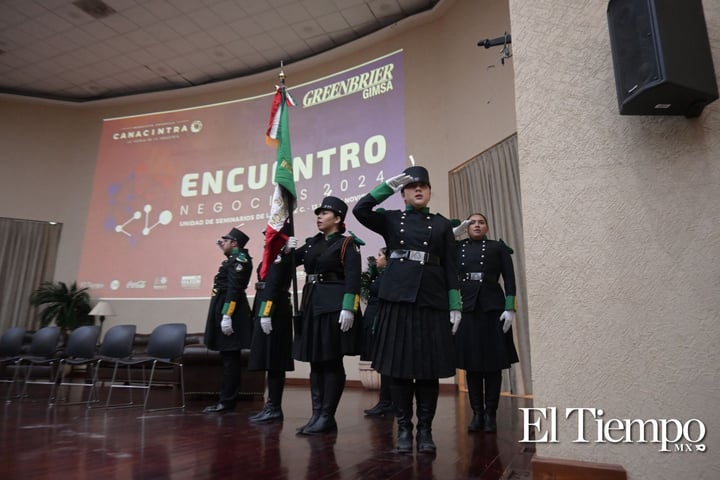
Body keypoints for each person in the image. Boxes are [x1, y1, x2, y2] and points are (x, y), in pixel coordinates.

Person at [352, 166, 462, 454]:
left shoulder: (441, 225)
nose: (418, 190)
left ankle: (425, 430)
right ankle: (403, 428)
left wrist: (455, 305)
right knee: (398, 371)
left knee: (428, 372)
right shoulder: (391, 220)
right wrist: (386, 185)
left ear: (428, 192)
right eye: (412, 186)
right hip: (398, 300)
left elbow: (451, 267)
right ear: (402, 194)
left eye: (423, 186)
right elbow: (360, 210)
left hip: (430, 301)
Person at [291, 196, 362, 435]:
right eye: (318, 213)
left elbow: (353, 278)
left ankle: (327, 416)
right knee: (315, 359)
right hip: (311, 303)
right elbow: (289, 263)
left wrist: (348, 307)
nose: (319, 217)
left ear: (338, 218)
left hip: (334, 306)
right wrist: (285, 246)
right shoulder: (312, 243)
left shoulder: (346, 244)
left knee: (331, 360)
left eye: (324, 213)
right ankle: (316, 415)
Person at [452, 213, 519, 432]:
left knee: (492, 365)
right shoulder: (458, 247)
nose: (477, 225)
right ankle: (477, 414)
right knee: (472, 366)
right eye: (472, 222)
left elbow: (509, 278)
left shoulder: (497, 248)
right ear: (467, 227)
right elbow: (445, 266)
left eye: (481, 222)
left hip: (493, 309)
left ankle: (491, 414)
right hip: (467, 308)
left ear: (487, 227)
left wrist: (510, 308)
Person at [202, 226, 253, 414]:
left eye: (225, 241)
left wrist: (227, 315)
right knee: (227, 359)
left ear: (235, 243)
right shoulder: (233, 259)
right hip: (223, 307)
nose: (221, 244)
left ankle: (227, 402)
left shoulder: (239, 260)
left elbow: (234, 290)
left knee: (231, 360)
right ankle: (225, 399)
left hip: (232, 311)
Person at [246, 234, 296, 423]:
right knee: (268, 359)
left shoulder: (282, 256)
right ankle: (271, 406)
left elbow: (275, 284)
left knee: (275, 360)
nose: (267, 239)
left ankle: (274, 407)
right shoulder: (272, 256)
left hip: (275, 309)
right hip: (265, 306)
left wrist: (266, 312)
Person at [361, 248, 394, 417]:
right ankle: (384, 402)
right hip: (374, 319)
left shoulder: (390, 276)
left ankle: (388, 403)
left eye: (380, 255)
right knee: (381, 363)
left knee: (386, 363)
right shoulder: (380, 274)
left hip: (381, 321)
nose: (377, 258)